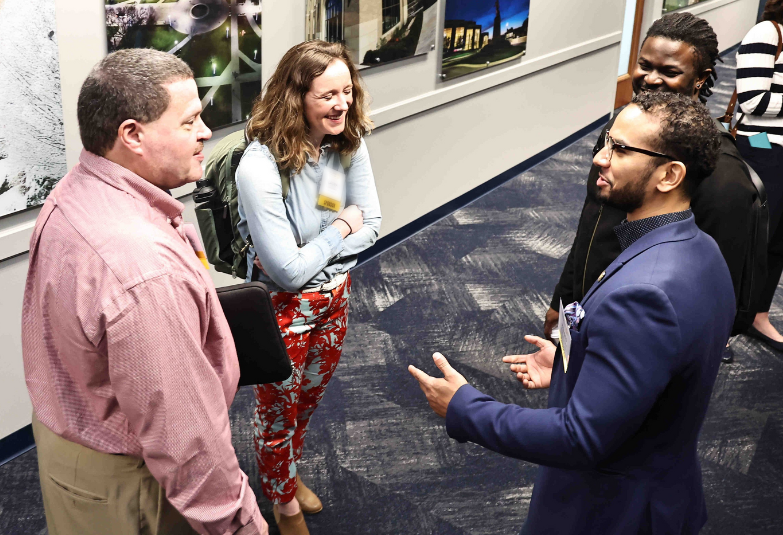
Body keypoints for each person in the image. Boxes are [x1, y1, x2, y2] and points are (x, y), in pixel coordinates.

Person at [409, 92, 733, 535]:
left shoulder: (645, 294)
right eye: (607, 141)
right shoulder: (701, 248)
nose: (600, 157)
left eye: (621, 149)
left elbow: (581, 437)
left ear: (670, 175)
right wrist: (570, 359)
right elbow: (658, 372)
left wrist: (465, 408)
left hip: (610, 509)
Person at [22, 50, 267, 535]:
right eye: (189, 121)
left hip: (75, 442)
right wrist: (242, 527)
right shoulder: (142, 269)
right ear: (132, 135)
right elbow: (185, 440)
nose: (205, 133)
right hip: (133, 483)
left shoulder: (76, 190)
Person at [543, 12, 757, 362]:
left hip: (638, 335)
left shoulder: (721, 173)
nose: (651, 79)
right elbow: (592, 220)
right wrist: (564, 298)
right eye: (645, 65)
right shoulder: (622, 128)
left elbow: (716, 288)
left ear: (701, 79)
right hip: (587, 304)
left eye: (670, 71)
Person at [235, 40, 381, 535]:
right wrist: (339, 230)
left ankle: (287, 475)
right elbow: (288, 274)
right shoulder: (259, 167)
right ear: (296, 97)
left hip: (335, 298)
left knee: (306, 404)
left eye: (347, 91)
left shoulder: (346, 143)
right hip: (282, 312)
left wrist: (312, 251)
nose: (342, 104)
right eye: (327, 95)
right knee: (277, 414)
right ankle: (283, 504)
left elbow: (373, 223)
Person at [735, 0, 783, 351]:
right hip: (763, 145)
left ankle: (758, 315)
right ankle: (721, 320)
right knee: (750, 237)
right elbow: (753, 101)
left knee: (778, 240)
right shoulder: (768, 32)